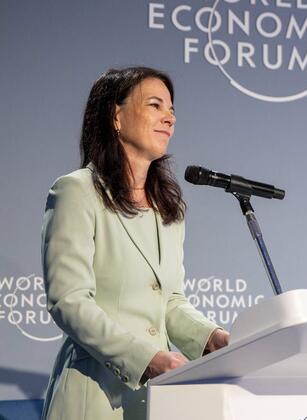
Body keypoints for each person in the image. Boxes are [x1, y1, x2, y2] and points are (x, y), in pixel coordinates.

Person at [40, 66, 230, 420]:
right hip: (94, 396)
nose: (169, 118)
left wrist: (212, 338)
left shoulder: (169, 208)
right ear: (116, 116)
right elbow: (69, 301)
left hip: (155, 400)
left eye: (171, 109)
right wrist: (146, 359)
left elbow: (170, 301)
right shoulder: (76, 191)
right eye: (155, 105)